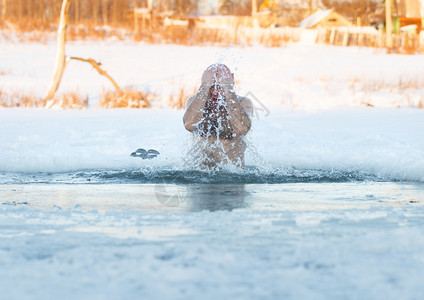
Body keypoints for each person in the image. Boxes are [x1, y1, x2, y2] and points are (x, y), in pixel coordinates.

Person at [183, 63, 253, 169]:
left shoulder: (243, 103)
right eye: (211, 85)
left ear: (230, 82)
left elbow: (242, 128)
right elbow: (189, 125)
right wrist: (205, 86)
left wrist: (228, 89)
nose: (215, 91)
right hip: (199, 177)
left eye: (221, 85)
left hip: (233, 177)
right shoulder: (195, 102)